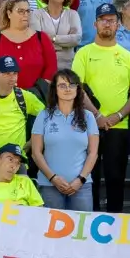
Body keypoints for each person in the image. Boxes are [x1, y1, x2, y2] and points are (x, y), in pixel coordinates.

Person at [71, 7, 130, 212]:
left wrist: (117, 115)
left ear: (118, 25)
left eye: (111, 20)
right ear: (95, 24)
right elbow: (78, 88)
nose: (107, 24)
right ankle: (89, 220)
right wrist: (98, 115)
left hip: (118, 127)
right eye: (102, 20)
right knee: (88, 176)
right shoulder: (84, 53)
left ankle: (114, 223)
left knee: (116, 178)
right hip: (88, 125)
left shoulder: (127, 56)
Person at [30, 69, 99, 211]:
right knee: (51, 231)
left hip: (81, 185)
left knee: (81, 231)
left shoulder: (88, 117)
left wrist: (80, 179)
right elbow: (36, 153)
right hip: (49, 185)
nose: (67, 89)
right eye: (62, 85)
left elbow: (93, 153)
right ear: (55, 89)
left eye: (72, 85)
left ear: (78, 89)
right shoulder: (43, 116)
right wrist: (53, 178)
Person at [0, 0, 59, 96]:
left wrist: (34, 93)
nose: (25, 15)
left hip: (37, 99)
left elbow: (51, 70)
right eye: (20, 11)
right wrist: (11, 94)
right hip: (6, 101)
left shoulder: (42, 38)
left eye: (28, 11)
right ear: (9, 13)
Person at [36, 0, 82, 70]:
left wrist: (52, 39)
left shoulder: (73, 14)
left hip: (67, 70)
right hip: (43, 71)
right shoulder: (36, 15)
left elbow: (76, 39)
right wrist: (65, 43)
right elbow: (37, 41)